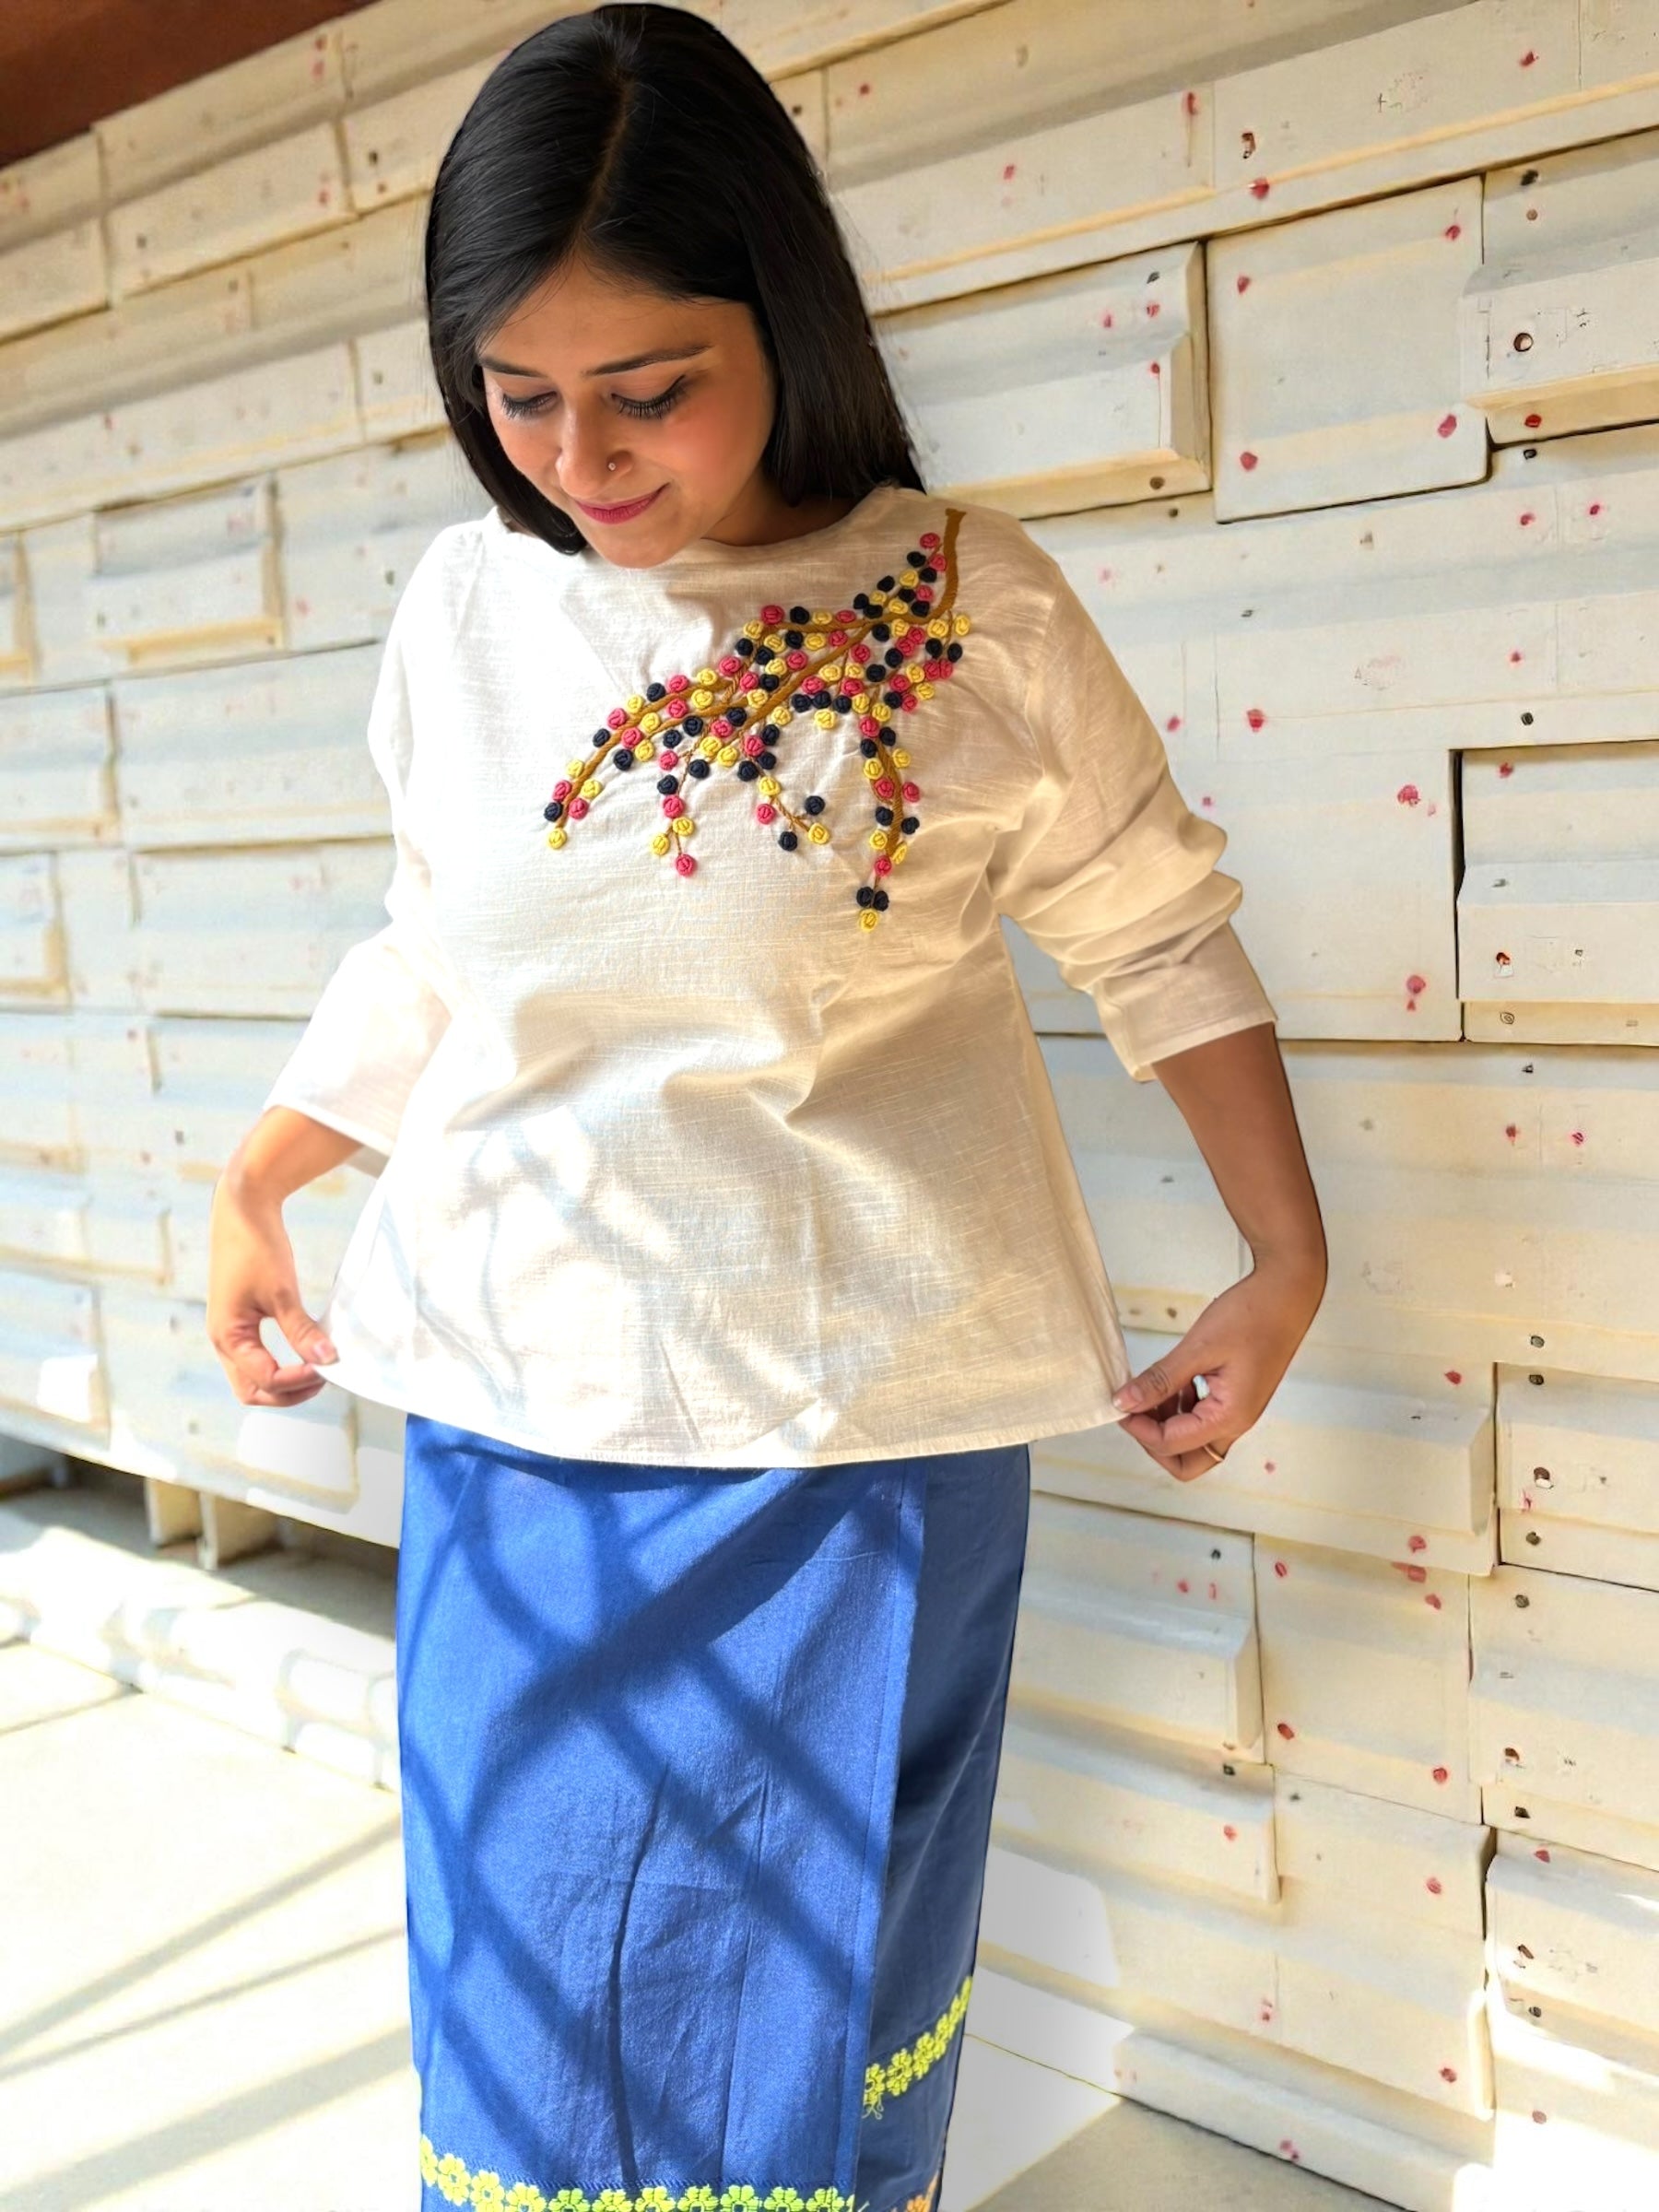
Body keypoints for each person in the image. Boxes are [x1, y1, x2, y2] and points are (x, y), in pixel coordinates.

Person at [206, 9, 1327, 2209]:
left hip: (854, 1454)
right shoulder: (467, 608)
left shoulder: (966, 607)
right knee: (531, 2032)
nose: (582, 457)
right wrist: (263, 1176)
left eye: (651, 388)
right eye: (518, 393)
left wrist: (1284, 1256)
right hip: (518, 1436)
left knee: (805, 2043)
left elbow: (1159, 934)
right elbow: (442, 948)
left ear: (784, 320)